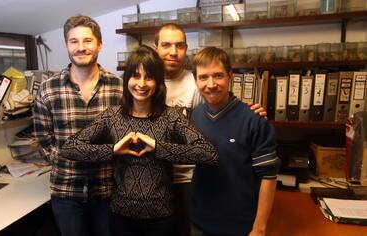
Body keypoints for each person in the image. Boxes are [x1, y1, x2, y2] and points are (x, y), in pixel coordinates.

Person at [58, 45, 219, 236]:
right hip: (120, 218)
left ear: (158, 82)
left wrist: (157, 147)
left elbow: (210, 154)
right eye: (135, 75)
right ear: (127, 79)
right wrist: (113, 149)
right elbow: (69, 148)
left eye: (149, 77)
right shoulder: (112, 116)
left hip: (162, 219)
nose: (141, 84)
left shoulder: (171, 117)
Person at [153, 23, 267, 236]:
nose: (173, 52)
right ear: (155, 47)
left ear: (186, 48)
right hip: (155, 178)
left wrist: (250, 113)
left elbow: (216, 108)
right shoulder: (146, 82)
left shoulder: (193, 81)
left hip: (190, 178)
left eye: (179, 45)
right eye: (166, 45)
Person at [33, 15, 123, 236]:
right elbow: (42, 139)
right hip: (67, 195)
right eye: (74, 41)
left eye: (87, 41)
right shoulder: (48, 89)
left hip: (109, 192)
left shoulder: (119, 88)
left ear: (99, 44)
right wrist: (67, 160)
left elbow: (126, 133)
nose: (81, 47)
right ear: (66, 45)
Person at [190, 47, 281, 236]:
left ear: (230, 76)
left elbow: (269, 177)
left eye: (218, 75)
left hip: (241, 227)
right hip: (198, 223)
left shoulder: (253, 120)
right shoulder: (195, 115)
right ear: (195, 80)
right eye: (203, 77)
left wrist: (259, 229)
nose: (211, 84)